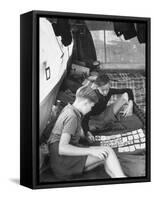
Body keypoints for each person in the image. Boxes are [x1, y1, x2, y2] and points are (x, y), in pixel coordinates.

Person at [48, 85, 126, 180]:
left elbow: (70, 132)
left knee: (103, 156)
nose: (90, 109)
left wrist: (86, 135)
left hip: (57, 164)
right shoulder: (72, 116)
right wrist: (91, 150)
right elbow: (62, 148)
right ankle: (122, 178)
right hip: (62, 161)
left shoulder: (69, 109)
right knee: (108, 151)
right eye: (91, 106)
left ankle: (118, 178)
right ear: (85, 103)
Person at [82, 72, 142, 141]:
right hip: (94, 119)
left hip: (104, 113)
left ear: (109, 86)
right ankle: (104, 125)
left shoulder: (109, 91)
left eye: (107, 89)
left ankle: (111, 121)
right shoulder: (93, 96)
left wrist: (130, 104)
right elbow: (85, 117)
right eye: (102, 90)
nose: (105, 92)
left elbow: (128, 90)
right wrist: (87, 132)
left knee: (125, 95)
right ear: (97, 87)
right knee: (88, 130)